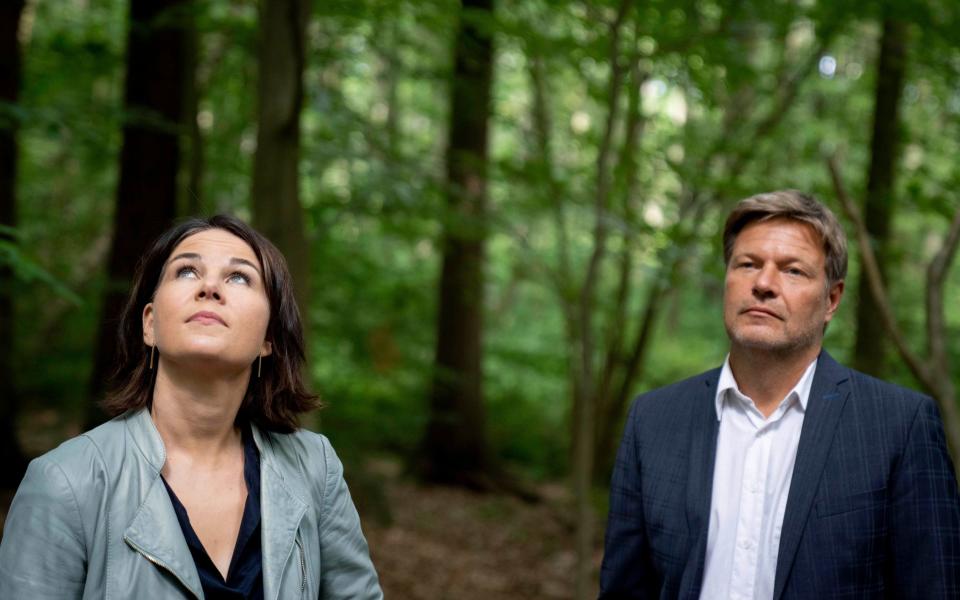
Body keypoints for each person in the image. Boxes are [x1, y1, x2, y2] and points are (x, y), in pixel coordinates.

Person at [599, 190, 960, 599]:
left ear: (832, 300)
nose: (764, 284)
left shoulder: (899, 425)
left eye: (793, 271)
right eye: (748, 265)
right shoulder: (654, 420)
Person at [0, 215, 383, 599]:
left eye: (239, 277)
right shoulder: (65, 481)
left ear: (269, 337)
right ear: (149, 324)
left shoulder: (316, 468)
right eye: (186, 271)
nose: (210, 287)